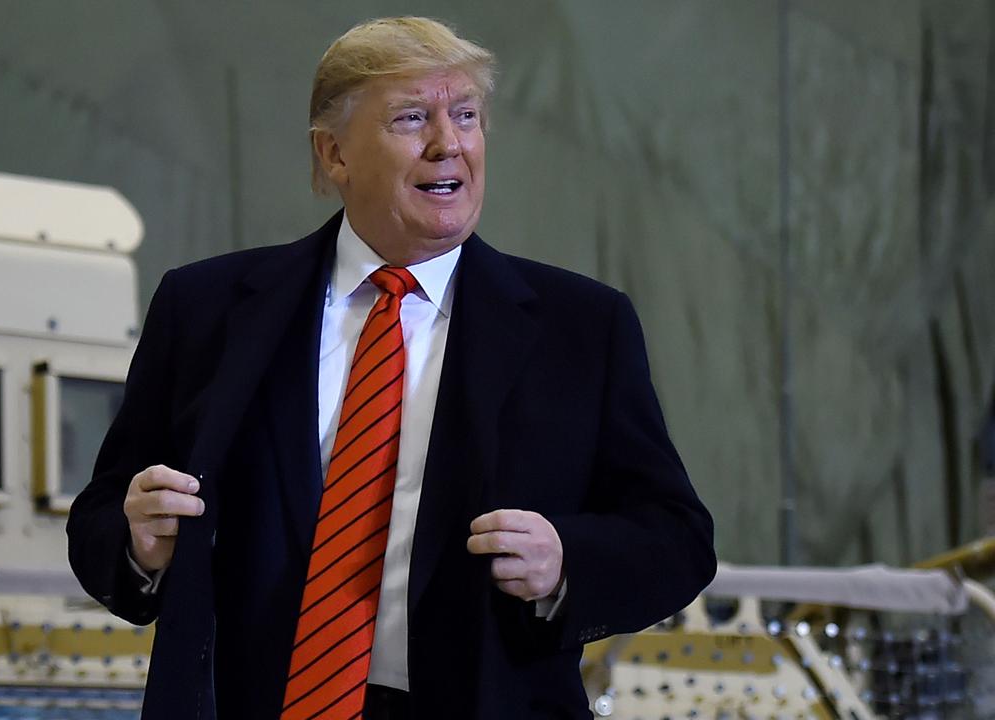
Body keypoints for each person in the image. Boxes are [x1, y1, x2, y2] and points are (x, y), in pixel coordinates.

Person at [68, 16, 715, 720]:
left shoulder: (583, 327)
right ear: (335, 153)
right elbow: (102, 515)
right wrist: (136, 542)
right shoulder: (206, 310)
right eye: (413, 118)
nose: (450, 144)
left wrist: (565, 561)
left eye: (465, 115)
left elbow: (676, 538)